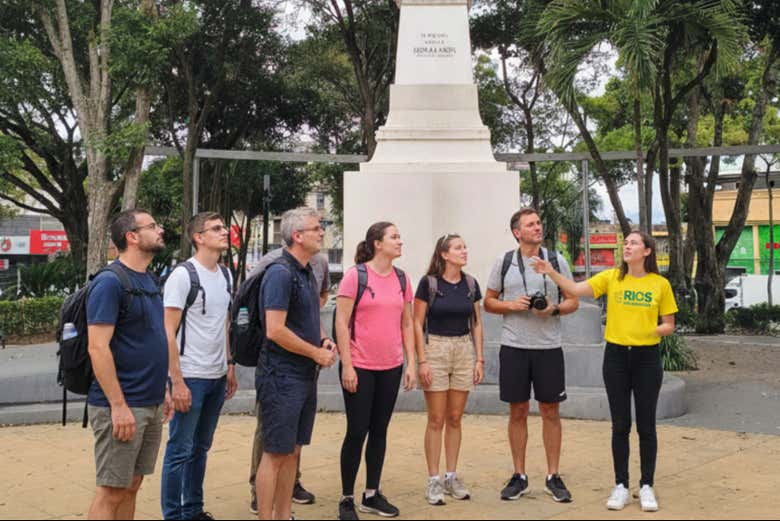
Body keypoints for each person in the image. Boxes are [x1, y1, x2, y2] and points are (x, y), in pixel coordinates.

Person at [531, 230, 677, 512]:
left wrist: (650, 330)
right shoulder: (612, 278)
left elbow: (668, 324)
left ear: (647, 251)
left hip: (647, 358)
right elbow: (575, 290)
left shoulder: (660, 284)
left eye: (634, 243)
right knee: (620, 425)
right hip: (616, 357)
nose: (627, 246)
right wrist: (550, 271)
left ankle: (646, 485)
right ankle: (621, 485)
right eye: (626, 242)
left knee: (646, 425)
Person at [484, 208, 579, 504]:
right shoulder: (505, 262)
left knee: (551, 411)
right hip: (514, 347)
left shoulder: (556, 261)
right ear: (517, 232)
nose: (537, 227)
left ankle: (553, 476)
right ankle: (519, 475)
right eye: (530, 224)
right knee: (518, 411)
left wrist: (553, 309)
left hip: (549, 347)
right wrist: (512, 305)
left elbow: (573, 300)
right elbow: (488, 302)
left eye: (538, 223)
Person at [86, 209, 173, 520]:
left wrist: (163, 389)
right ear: (132, 237)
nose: (160, 230)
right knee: (111, 491)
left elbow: (150, 338)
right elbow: (97, 347)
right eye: (153, 226)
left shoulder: (149, 280)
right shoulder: (110, 282)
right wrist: (118, 405)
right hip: (122, 405)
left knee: (132, 485)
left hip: (150, 401)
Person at [255, 207, 337, 520]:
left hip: (303, 375)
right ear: (297, 236)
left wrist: (323, 340)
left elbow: (308, 318)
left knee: (293, 451)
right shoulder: (280, 273)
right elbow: (275, 330)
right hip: (281, 376)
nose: (322, 232)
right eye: (316, 228)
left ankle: (283, 514)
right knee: (275, 453)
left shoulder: (307, 271)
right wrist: (315, 353)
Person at [334, 222, 416, 520]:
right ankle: (346, 498)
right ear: (377, 243)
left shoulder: (402, 278)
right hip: (359, 366)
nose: (400, 241)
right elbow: (341, 322)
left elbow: (407, 323)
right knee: (357, 431)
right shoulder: (355, 276)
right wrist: (347, 364)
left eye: (399, 236)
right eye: (394, 237)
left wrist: (411, 363)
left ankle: (371, 494)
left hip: (391, 366)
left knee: (380, 430)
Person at [160, 212, 238, 520]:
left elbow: (224, 324)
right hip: (190, 376)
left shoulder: (226, 275)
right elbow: (168, 330)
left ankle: (193, 510)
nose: (224, 232)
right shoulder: (183, 276)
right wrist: (176, 381)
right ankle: (173, 515)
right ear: (198, 237)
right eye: (216, 228)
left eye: (224, 227)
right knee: (179, 450)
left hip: (217, 376)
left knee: (201, 447)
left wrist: (229, 365)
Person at [413, 233, 485, 506]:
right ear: (444, 254)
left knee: (455, 417)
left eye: (465, 247)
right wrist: (422, 360)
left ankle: (451, 476)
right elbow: (416, 323)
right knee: (436, 418)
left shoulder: (470, 284)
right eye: (458, 247)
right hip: (436, 348)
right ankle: (433, 479)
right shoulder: (429, 284)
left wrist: (479, 359)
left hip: (463, 349)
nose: (464, 251)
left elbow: (476, 322)